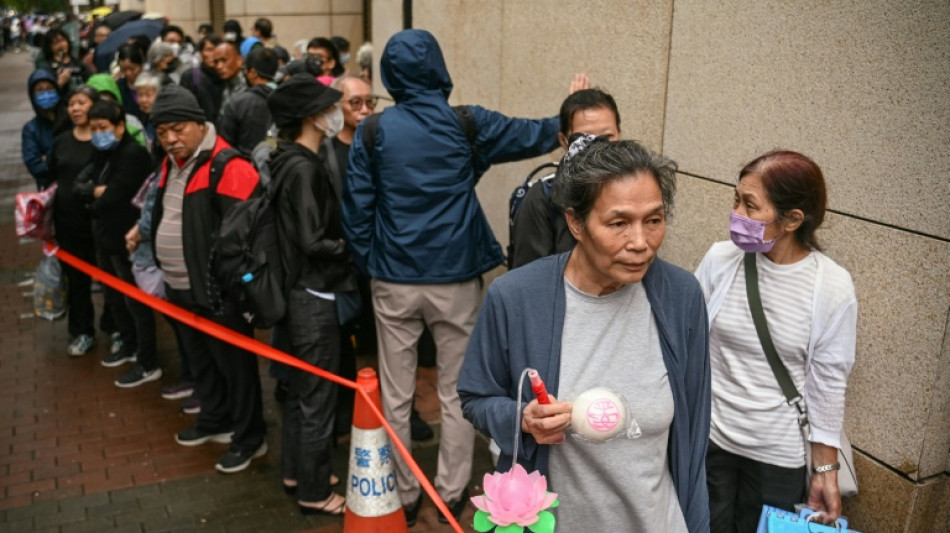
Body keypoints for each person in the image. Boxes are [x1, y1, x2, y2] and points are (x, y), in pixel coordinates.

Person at [341, 29, 567, 526]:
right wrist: (571, 113)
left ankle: (404, 493)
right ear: (439, 68)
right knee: (457, 392)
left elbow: (356, 210)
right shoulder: (467, 123)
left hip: (393, 279)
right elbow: (530, 134)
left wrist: (374, 261)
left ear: (390, 75)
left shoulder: (373, 130)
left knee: (395, 394)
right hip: (456, 279)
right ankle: (449, 491)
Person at [458, 135, 710, 532]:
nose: (640, 243)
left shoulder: (680, 296)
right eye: (618, 223)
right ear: (576, 222)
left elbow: (694, 430)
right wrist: (523, 419)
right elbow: (476, 397)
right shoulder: (516, 297)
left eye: (654, 220)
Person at [694, 150, 857, 532]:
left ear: (792, 220)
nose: (736, 212)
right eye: (736, 199)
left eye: (750, 206)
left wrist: (826, 472)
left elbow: (828, 384)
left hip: (778, 460)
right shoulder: (721, 260)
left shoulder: (831, 286)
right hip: (710, 443)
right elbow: (690, 340)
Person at [149, 84, 267, 473]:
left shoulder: (228, 165)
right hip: (179, 288)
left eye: (178, 129)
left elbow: (244, 237)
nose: (170, 139)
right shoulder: (171, 162)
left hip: (217, 294)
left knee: (236, 368)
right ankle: (216, 419)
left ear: (200, 124)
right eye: (162, 132)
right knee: (201, 362)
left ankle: (250, 438)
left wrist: (229, 289)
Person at [266, 73, 353, 516]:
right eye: (328, 106)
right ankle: (315, 491)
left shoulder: (288, 160)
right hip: (313, 295)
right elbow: (311, 240)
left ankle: (297, 473)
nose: (335, 112)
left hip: (297, 293)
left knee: (302, 391)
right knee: (317, 397)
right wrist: (349, 248)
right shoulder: (303, 168)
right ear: (311, 116)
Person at [74, 99, 159, 386]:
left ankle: (147, 360)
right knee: (114, 296)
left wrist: (95, 194)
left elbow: (115, 196)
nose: (98, 134)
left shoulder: (133, 154)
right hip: (104, 235)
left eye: (103, 128)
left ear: (120, 126)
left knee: (135, 300)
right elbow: (80, 185)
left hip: (127, 237)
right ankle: (129, 344)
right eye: (94, 129)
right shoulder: (101, 153)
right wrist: (93, 193)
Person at [509, 88, 621, 269]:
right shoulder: (543, 198)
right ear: (563, 141)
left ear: (619, 134)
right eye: (585, 139)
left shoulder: (635, 189)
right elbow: (528, 276)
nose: (598, 147)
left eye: (607, 137)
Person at [48, 85, 101, 356]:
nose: (76, 108)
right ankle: (82, 332)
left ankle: (118, 330)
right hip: (68, 223)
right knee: (77, 283)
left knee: (110, 279)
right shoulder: (61, 141)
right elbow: (51, 178)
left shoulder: (103, 139)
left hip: (99, 222)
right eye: (71, 104)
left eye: (82, 102)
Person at [217, 47, 278, 155]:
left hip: (243, 162)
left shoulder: (238, 102)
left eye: (245, 70)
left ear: (253, 73)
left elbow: (225, 144)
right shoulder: (286, 99)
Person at [22, 69, 64, 190]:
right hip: (49, 191)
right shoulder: (31, 129)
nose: (46, 94)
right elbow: (35, 167)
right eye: (39, 90)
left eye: (50, 89)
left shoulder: (70, 120)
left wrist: (48, 159)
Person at [180, 34, 223, 123]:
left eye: (217, 49)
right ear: (201, 52)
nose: (214, 54)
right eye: (209, 50)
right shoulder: (191, 76)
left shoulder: (226, 75)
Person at [36, 28, 91, 94]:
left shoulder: (79, 64)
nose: (61, 44)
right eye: (56, 43)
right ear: (49, 47)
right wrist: (59, 83)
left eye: (63, 40)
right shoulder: (46, 66)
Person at [212, 41, 246, 120]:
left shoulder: (250, 86)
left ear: (239, 60)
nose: (219, 66)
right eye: (216, 62)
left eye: (224, 60)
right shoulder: (224, 86)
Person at [115, 44, 145, 121]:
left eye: (132, 69)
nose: (128, 73)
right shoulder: (119, 87)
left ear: (141, 65)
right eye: (124, 69)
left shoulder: (151, 83)